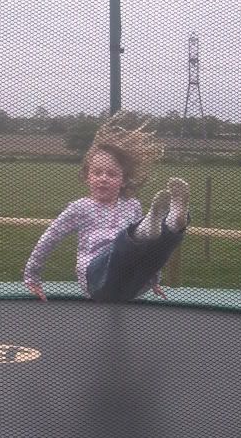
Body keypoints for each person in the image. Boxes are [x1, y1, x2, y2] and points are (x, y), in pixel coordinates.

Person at [24, 112, 190, 302]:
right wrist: (32, 275)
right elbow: (50, 237)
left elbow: (151, 253)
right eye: (97, 173)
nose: (103, 178)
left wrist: (153, 279)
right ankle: (150, 229)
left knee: (152, 245)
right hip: (98, 280)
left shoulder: (132, 205)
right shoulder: (80, 208)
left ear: (123, 181)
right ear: (88, 177)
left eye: (111, 174)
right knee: (123, 245)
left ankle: (174, 223)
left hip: (132, 283)